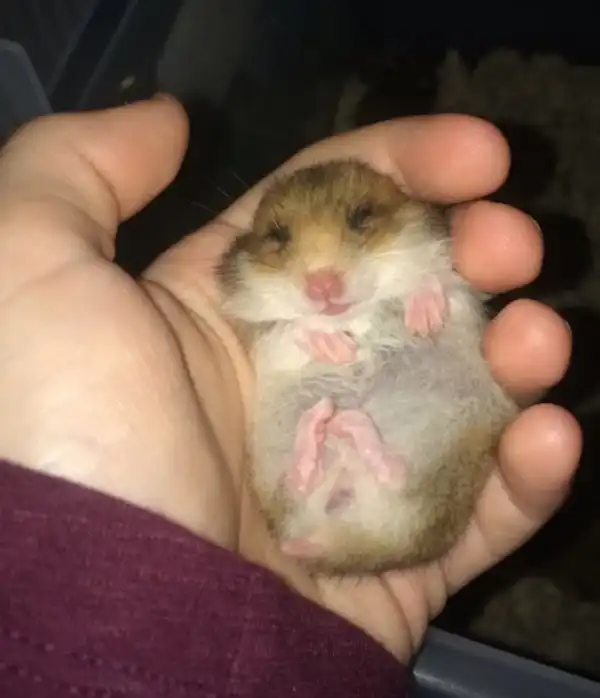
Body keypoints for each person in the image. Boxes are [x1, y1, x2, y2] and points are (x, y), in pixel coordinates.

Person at [0, 94, 581, 697]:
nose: (322, 278)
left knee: (477, 386)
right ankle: (343, 472)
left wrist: (433, 290)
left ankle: (352, 472)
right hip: (324, 501)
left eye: (359, 220)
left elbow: (446, 284)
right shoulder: (252, 308)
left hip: (402, 473)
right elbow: (263, 340)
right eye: (280, 238)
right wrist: (298, 336)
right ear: (250, 250)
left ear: (406, 213)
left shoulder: (424, 256)